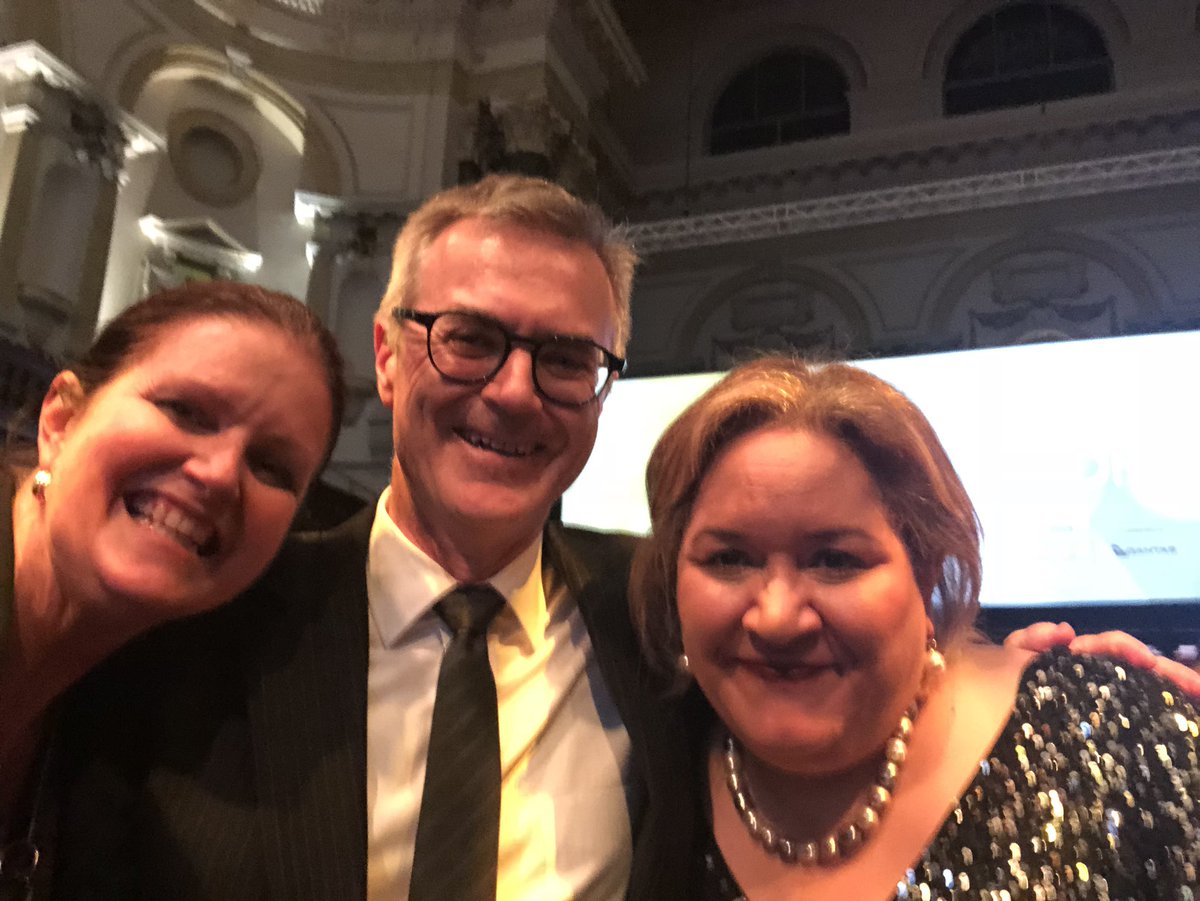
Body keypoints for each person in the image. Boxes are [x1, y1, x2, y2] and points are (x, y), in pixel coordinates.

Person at [48, 176, 1197, 901]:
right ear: (389, 356)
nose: (514, 391)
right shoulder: (210, 623)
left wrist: (1040, 687)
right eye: (468, 339)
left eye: (566, 359)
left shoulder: (664, 629)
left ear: (603, 389)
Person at [630, 356, 1200, 899]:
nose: (777, 619)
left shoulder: (1111, 739)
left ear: (925, 571)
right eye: (729, 559)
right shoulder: (652, 756)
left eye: (834, 560)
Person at [0, 281, 345, 895]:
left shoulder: (131, 719)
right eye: (185, 411)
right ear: (61, 419)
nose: (219, 474)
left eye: (271, 467)